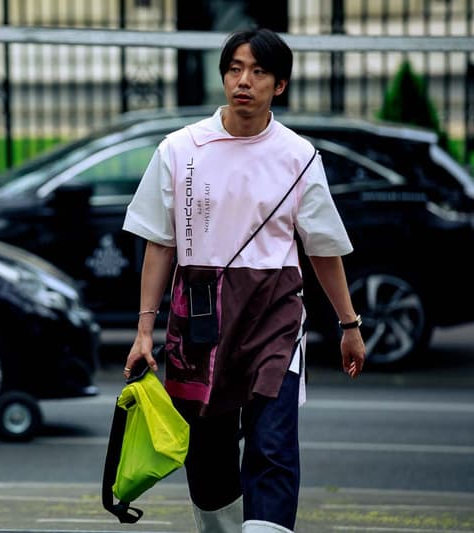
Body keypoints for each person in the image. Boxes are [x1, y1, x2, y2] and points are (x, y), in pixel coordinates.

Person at [122, 28, 366, 533]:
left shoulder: (299, 156)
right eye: (235, 68)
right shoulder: (179, 149)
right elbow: (159, 242)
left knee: (272, 444)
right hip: (199, 319)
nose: (244, 81)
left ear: (279, 85)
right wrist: (145, 329)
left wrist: (349, 323)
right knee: (207, 457)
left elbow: (322, 247)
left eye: (258, 72)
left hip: (274, 313)